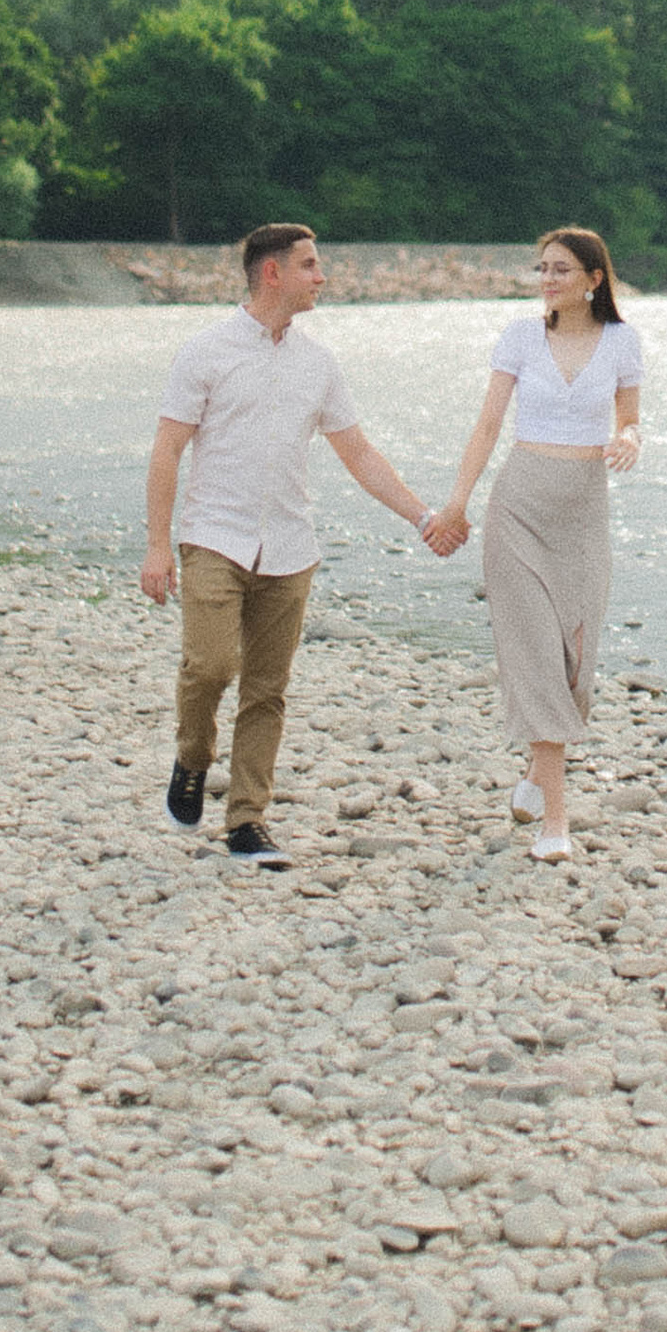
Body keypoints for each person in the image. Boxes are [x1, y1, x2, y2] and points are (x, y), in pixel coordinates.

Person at [142, 221, 461, 866]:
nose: (323, 277)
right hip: (213, 538)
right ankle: (192, 757)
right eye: (311, 265)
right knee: (210, 668)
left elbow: (359, 453)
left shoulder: (318, 363)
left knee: (267, 689)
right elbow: (168, 448)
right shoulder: (205, 351)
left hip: (290, 547)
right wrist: (157, 547)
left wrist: (422, 514)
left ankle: (247, 822)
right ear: (272, 273)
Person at [426, 228, 641, 860]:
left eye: (561, 269)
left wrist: (629, 440)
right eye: (541, 268)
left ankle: (533, 771)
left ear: (594, 278)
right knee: (536, 657)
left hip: (582, 511)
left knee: (575, 663)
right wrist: (457, 504)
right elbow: (489, 422)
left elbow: (630, 417)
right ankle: (556, 822)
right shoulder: (520, 338)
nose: (547, 279)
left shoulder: (622, 341)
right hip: (519, 506)